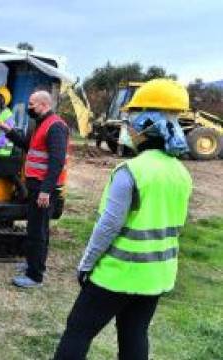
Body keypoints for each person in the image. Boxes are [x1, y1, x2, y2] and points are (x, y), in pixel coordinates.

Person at [53, 79, 193, 360]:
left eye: (132, 120)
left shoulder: (131, 171)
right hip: (157, 275)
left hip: (118, 274)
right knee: (134, 334)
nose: (128, 128)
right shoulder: (181, 173)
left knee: (78, 330)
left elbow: (109, 225)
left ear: (146, 125)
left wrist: (86, 263)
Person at [0, 90, 69, 288]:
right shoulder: (42, 124)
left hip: (44, 189)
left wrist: (46, 190)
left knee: (38, 231)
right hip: (36, 187)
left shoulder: (55, 127)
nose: (29, 107)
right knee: (34, 228)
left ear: (44, 105)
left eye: (31, 104)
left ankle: (35, 276)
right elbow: (29, 146)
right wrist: (8, 131)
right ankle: (32, 264)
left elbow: (57, 162)